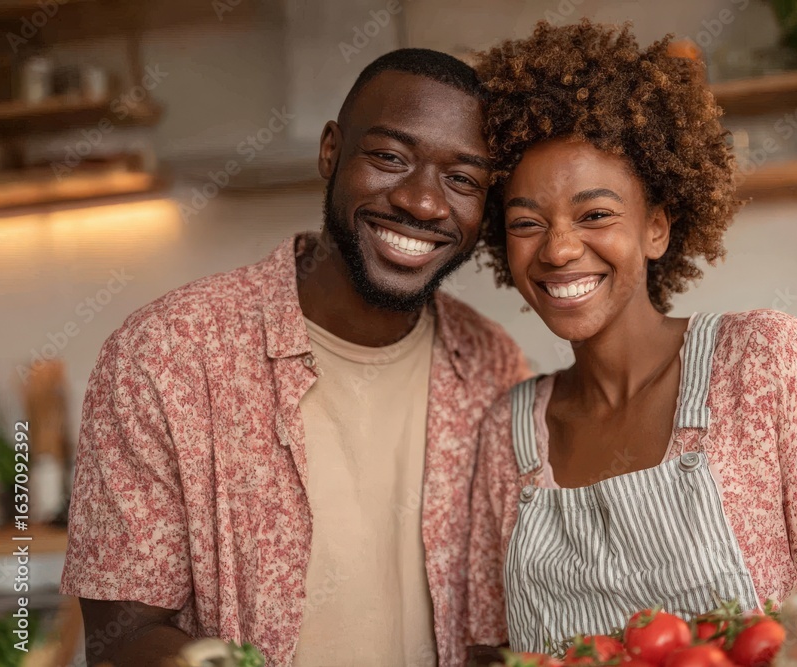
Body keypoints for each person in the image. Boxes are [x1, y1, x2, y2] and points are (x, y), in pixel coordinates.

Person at [60, 48, 529, 667]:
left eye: (462, 179)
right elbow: (119, 636)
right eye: (390, 158)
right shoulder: (167, 353)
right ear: (331, 150)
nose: (422, 203)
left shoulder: (494, 366)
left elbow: (498, 630)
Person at [466, 21, 797, 653]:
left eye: (596, 215)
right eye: (526, 222)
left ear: (658, 228)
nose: (558, 249)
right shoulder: (506, 435)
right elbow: (490, 653)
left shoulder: (765, 363)